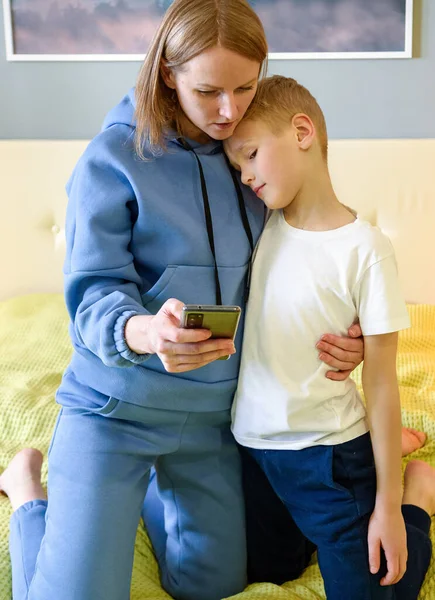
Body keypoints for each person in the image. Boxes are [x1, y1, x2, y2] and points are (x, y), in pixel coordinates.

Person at [0, 1, 419, 598]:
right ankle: (30, 494)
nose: (229, 112)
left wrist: (348, 328)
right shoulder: (112, 158)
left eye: (245, 87)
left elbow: (313, 250)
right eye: (208, 90)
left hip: (213, 422)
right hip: (115, 410)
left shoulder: (254, 152)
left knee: (211, 587)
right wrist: (146, 333)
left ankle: (134, 495)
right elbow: (92, 295)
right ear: (168, 73)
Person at [224, 75, 434, 599]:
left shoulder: (366, 249)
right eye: (236, 167)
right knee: (269, 573)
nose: (245, 176)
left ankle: (418, 499)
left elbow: (383, 383)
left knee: (379, 587)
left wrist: (388, 507)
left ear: (302, 132)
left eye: (250, 155)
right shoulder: (255, 226)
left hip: (328, 455)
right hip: (253, 450)